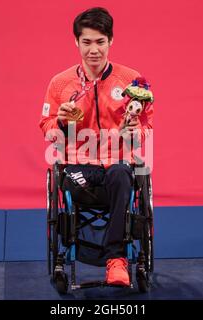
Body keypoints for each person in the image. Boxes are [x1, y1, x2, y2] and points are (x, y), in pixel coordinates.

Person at [39, 7, 153, 286]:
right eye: (87, 42)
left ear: (111, 41)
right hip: (78, 166)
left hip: (117, 166)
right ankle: (80, 250)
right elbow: (45, 127)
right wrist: (62, 123)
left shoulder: (132, 81)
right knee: (72, 183)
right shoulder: (60, 83)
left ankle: (116, 261)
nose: (94, 50)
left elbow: (147, 128)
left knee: (121, 175)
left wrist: (132, 130)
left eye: (100, 42)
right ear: (76, 42)